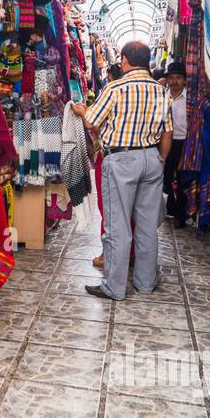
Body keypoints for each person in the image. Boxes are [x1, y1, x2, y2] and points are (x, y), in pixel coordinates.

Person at [71, 41, 172, 300]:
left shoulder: (116, 88)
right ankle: (145, 282)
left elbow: (92, 120)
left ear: (125, 61)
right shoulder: (162, 91)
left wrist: (83, 111)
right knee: (147, 226)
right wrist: (159, 159)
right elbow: (167, 132)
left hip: (122, 159)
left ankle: (114, 287)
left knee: (118, 225)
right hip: (152, 157)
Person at [90, 62, 126, 269]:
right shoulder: (146, 91)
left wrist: (80, 112)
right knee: (130, 209)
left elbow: (93, 122)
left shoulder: (111, 92)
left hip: (110, 154)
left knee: (109, 207)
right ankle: (131, 253)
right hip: (139, 157)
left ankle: (108, 254)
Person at [164, 61, 188, 229]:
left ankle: (181, 215)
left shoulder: (190, 99)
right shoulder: (162, 97)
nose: (174, 81)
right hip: (167, 142)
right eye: (171, 78)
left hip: (185, 143)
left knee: (182, 180)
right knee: (165, 177)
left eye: (178, 78)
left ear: (184, 80)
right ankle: (169, 209)